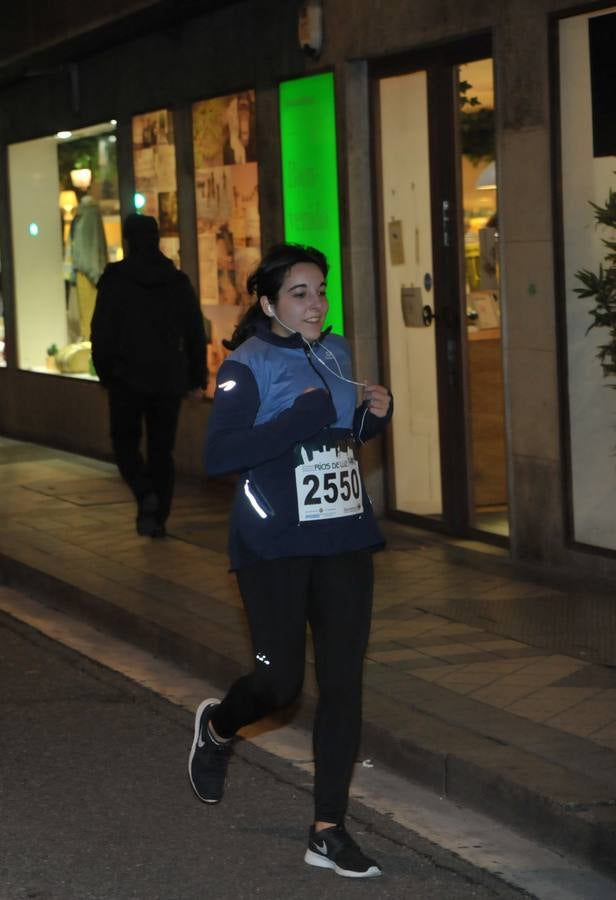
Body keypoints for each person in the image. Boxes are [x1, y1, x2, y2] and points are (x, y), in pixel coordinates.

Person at [187, 243, 393, 878]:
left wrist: (369, 421)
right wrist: (301, 418)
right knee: (279, 686)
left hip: (342, 539)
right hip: (273, 544)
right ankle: (219, 728)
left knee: (343, 684)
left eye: (321, 289)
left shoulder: (336, 352)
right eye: (300, 292)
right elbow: (218, 455)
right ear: (270, 302)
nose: (316, 302)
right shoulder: (244, 366)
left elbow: (339, 441)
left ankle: (328, 828)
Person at [90, 214, 207, 537]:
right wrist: (197, 377)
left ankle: (145, 494)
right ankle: (157, 518)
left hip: (126, 378)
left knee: (124, 443)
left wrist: (105, 372)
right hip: (169, 378)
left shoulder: (115, 279)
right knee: (161, 450)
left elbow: (101, 330)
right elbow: (195, 332)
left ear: (128, 241)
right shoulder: (176, 280)